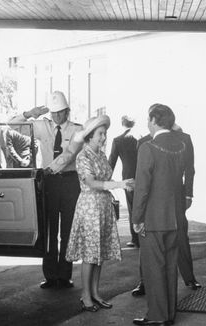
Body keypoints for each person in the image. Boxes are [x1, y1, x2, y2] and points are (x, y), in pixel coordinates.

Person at [10, 91, 83, 289]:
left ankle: (65, 275)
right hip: (49, 182)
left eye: (60, 112)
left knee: (68, 230)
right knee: (50, 230)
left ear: (67, 111)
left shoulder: (78, 130)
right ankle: (50, 275)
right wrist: (28, 114)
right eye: (53, 113)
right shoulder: (42, 126)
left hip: (70, 182)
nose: (57, 116)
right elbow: (12, 125)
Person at [66, 115, 133, 312]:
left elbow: (104, 179)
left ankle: (95, 292)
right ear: (89, 136)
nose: (104, 137)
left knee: (99, 253)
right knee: (90, 254)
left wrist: (117, 185)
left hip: (103, 206)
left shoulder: (101, 155)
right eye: (100, 134)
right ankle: (85, 295)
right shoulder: (83, 156)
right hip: (90, 207)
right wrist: (120, 184)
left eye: (105, 133)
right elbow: (92, 183)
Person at [131, 122, 201, 297]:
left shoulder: (184, 139)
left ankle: (189, 277)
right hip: (155, 206)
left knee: (180, 238)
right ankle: (144, 281)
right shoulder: (144, 142)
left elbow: (190, 170)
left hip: (175, 201)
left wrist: (188, 195)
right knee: (151, 247)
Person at [132, 104, 186, 326]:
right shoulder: (181, 145)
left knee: (154, 269)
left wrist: (136, 219)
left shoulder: (148, 148)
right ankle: (169, 314)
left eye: (148, 119)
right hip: (175, 217)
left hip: (153, 219)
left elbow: (142, 188)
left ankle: (157, 316)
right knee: (170, 267)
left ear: (154, 120)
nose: (147, 123)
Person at [109, 115, 139, 248]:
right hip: (145, 175)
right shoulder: (142, 138)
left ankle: (135, 238)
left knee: (132, 207)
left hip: (128, 177)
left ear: (122, 123)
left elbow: (112, 161)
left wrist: (106, 179)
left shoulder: (118, 140)